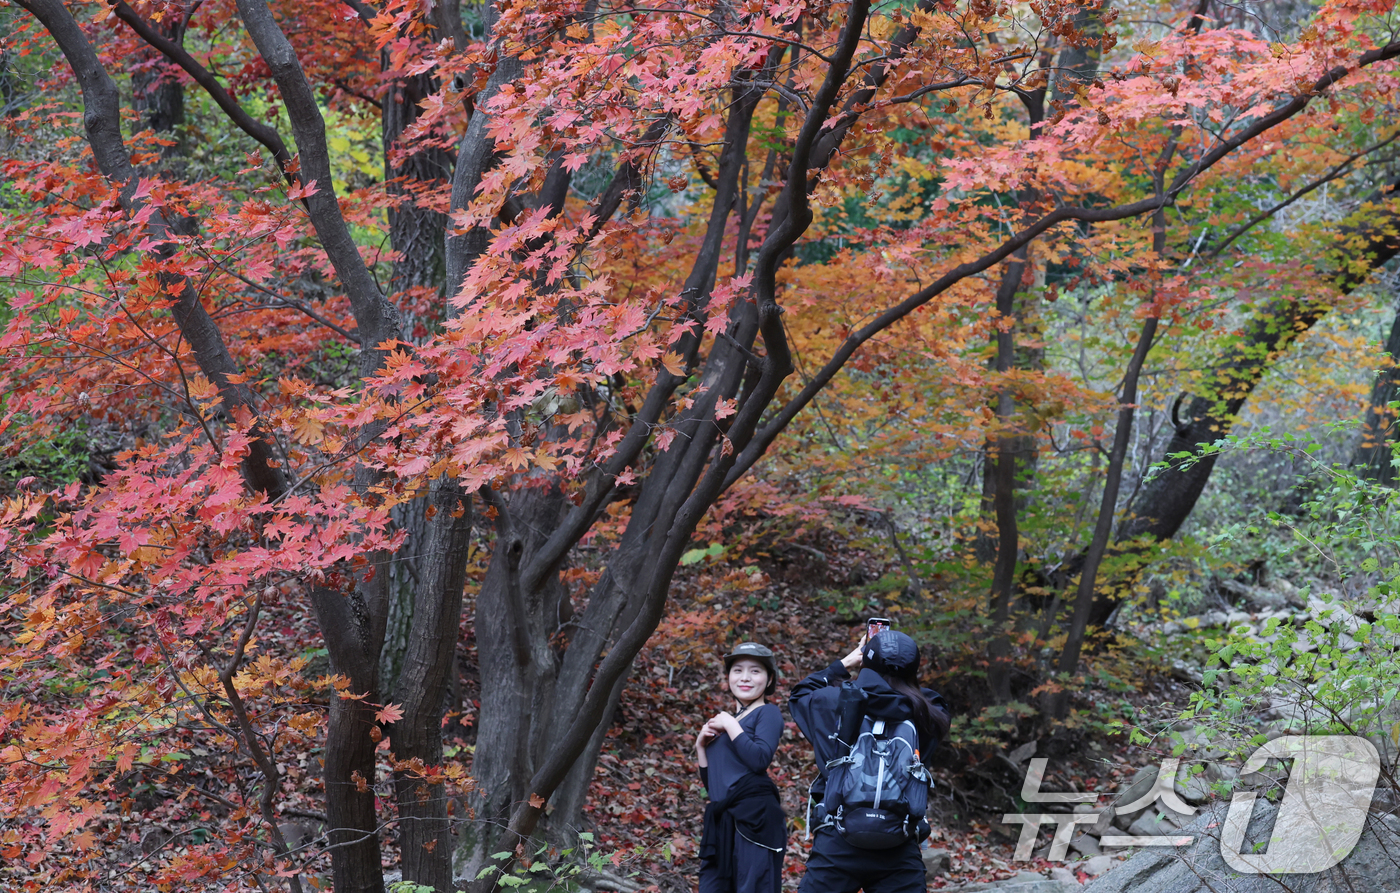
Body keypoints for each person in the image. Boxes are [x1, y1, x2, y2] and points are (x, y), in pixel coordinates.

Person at [789, 631, 951, 893]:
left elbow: (801, 693)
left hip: (837, 841)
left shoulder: (831, 702)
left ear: (866, 663)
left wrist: (847, 663)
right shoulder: (930, 712)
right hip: (899, 846)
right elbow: (929, 696)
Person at [696, 642, 787, 893]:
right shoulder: (729, 723)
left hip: (755, 819)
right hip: (723, 821)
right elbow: (716, 787)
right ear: (729, 677)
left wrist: (729, 723)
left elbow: (759, 760)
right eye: (738, 670)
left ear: (769, 681)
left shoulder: (768, 713)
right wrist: (701, 747)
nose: (745, 677)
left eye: (755, 671)